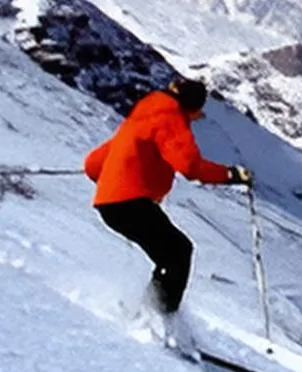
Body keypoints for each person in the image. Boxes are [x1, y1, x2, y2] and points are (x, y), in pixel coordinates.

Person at [85, 76, 244, 316]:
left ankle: (146, 313)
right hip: (131, 202)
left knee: (169, 255)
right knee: (178, 253)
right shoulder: (170, 115)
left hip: (110, 204)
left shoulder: (143, 115)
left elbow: (93, 163)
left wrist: (114, 181)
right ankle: (158, 318)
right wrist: (231, 175)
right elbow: (189, 165)